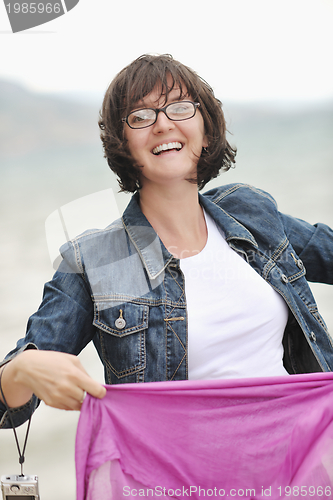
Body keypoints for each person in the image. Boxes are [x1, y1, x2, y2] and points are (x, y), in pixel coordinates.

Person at [1, 54, 333, 429]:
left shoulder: (251, 213)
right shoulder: (97, 260)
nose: (162, 124)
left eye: (179, 107)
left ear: (206, 131)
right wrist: (21, 371)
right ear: (122, 145)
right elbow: (7, 407)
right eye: (141, 116)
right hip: (180, 479)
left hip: (298, 461)